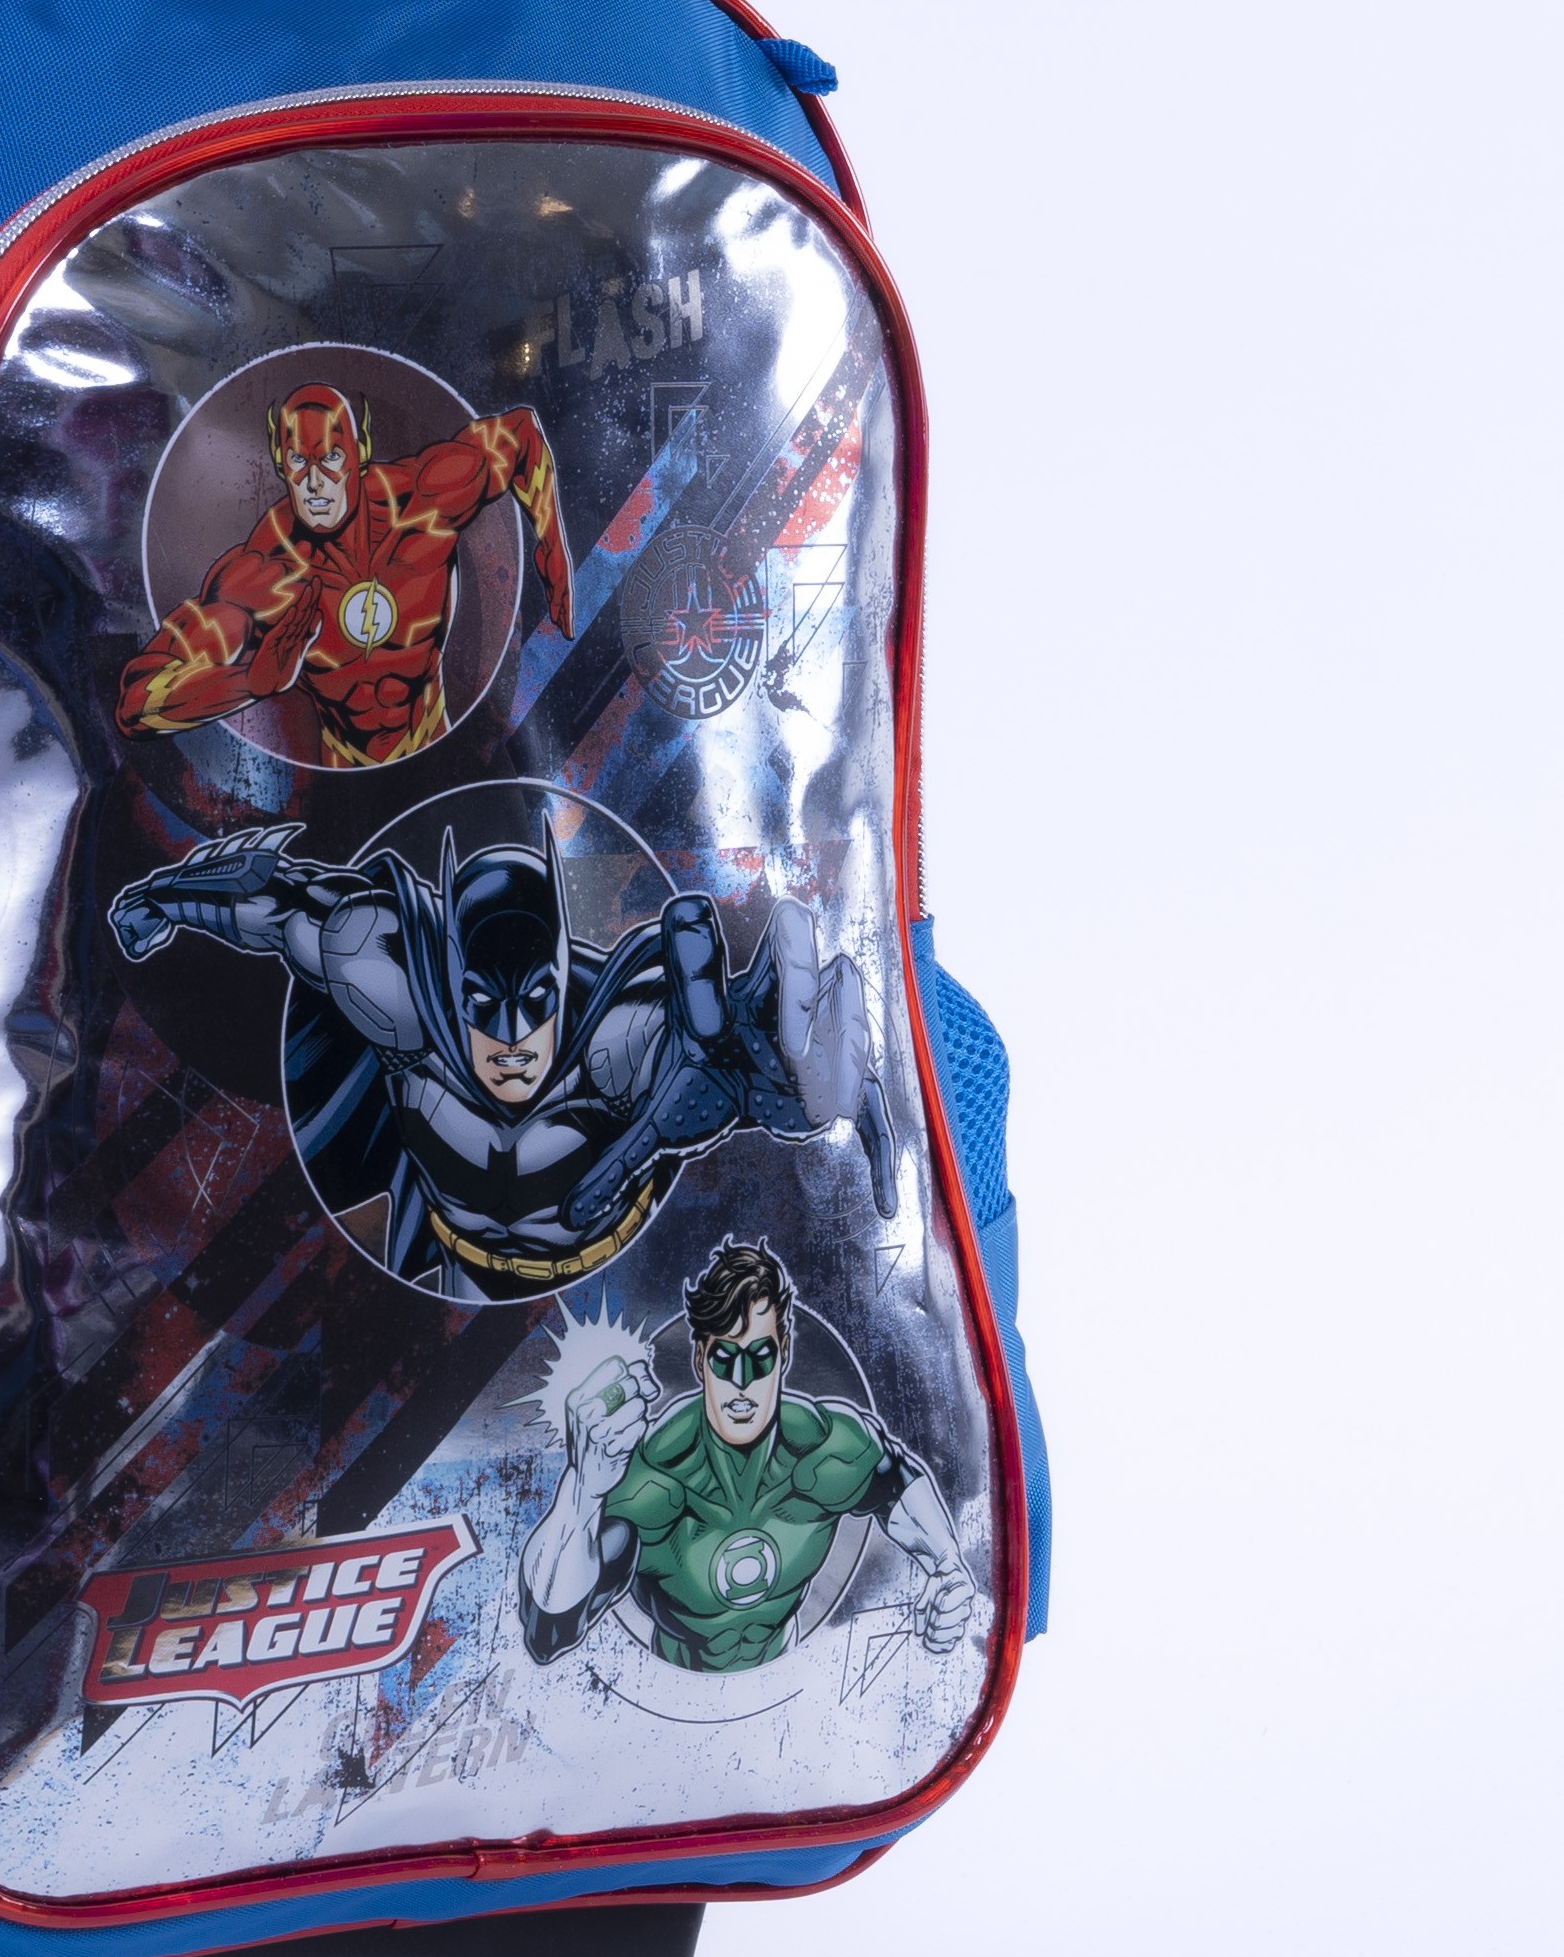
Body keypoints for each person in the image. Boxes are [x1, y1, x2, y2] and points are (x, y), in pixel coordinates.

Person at [106, 819, 893, 1296]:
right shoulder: (392, 988)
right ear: (450, 979)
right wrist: (162, 898)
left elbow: (767, 1059)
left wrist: (788, 1083)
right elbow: (278, 902)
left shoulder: (621, 1040)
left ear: (562, 974)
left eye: (536, 1000)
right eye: (484, 1003)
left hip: (605, 1292)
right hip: (449, 1277)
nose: (511, 1035)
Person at [516, 1240, 978, 1671]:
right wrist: (581, 1496)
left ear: (784, 1353)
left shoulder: (823, 1450)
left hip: (795, 1681)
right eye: (724, 1357)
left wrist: (949, 1569)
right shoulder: (656, 1479)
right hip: (679, 1693)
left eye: (760, 1356)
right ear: (700, 1360)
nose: (741, 1380)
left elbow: (896, 1481)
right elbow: (548, 1633)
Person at [118, 383, 575, 767]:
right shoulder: (266, 573)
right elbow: (136, 704)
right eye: (299, 462)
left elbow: (520, 436)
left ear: (360, 453)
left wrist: (553, 549)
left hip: (435, 740)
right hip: (346, 772)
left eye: (331, 457)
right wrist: (246, 682)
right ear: (280, 463)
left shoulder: (423, 503)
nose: (315, 482)